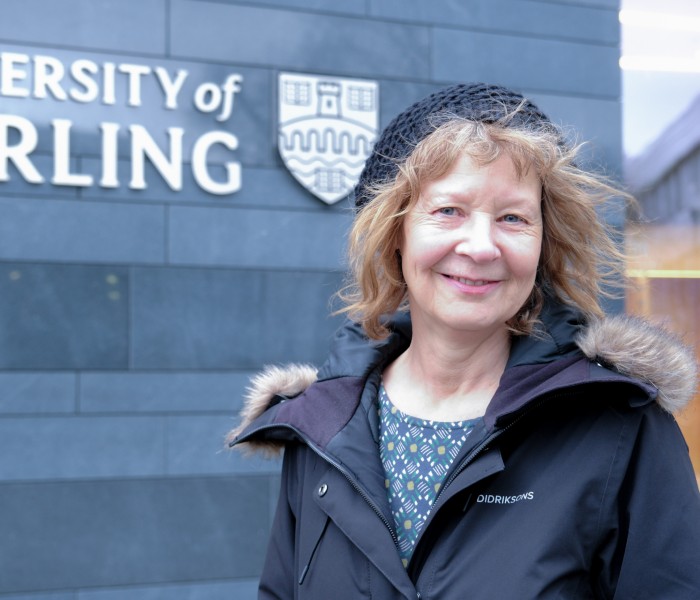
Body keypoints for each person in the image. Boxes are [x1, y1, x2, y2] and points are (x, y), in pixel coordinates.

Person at [228, 83, 700, 599]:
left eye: (513, 218)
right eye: (449, 210)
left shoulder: (620, 426)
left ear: (544, 242)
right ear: (395, 232)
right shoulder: (322, 425)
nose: (480, 246)